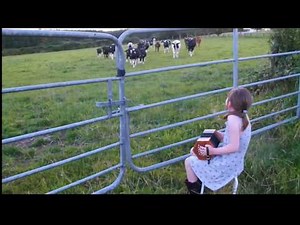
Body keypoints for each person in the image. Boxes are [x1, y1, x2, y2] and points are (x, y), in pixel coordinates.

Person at [184, 87, 253, 194]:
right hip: (235, 162)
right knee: (194, 151)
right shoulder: (243, 117)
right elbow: (233, 138)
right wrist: (219, 135)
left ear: (229, 103)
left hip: (226, 165)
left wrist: (212, 151)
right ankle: (201, 185)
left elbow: (234, 146)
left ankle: (196, 192)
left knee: (189, 161)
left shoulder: (233, 121)